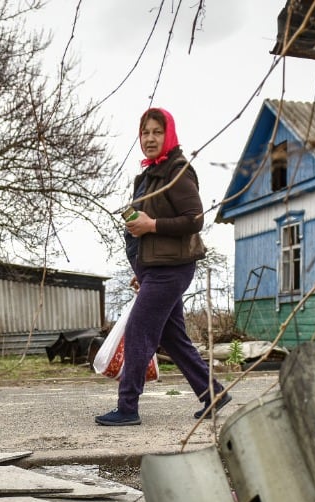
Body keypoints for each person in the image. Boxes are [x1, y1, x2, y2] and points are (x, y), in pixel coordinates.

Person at [95, 107, 229, 427]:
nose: (150, 138)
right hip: (154, 269)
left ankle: (127, 406)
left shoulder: (177, 171)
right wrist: (140, 268)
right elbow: (140, 228)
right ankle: (214, 393)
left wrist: (152, 224)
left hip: (172, 269)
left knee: (140, 331)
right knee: (173, 338)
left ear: (169, 134)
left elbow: (195, 219)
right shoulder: (147, 175)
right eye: (145, 132)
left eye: (157, 132)